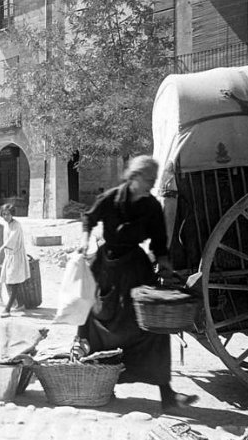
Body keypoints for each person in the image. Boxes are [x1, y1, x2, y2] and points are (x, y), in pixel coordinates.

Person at [77, 155, 198, 412]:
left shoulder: (152, 206)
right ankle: (100, 385)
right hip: (107, 268)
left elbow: (158, 242)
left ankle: (167, 394)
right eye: (148, 180)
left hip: (136, 271)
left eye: (154, 181)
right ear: (133, 177)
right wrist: (84, 240)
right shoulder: (110, 198)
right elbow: (89, 217)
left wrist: (165, 267)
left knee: (151, 327)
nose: (151, 185)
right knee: (98, 319)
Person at [0, 203, 30, 318]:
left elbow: (11, 240)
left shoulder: (16, 225)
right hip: (9, 256)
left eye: (8, 214)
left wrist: (0, 249)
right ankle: (20, 304)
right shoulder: (6, 225)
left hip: (16, 256)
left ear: (12, 214)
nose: (6, 216)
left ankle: (7, 309)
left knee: (13, 282)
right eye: (4, 214)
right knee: (9, 281)